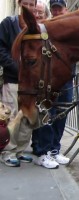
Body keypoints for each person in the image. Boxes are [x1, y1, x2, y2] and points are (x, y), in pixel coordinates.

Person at [32, 0, 73, 169]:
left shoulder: (71, 27)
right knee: (47, 114)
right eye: (54, 9)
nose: (57, 12)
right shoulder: (45, 27)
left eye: (59, 8)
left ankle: (54, 149)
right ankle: (43, 151)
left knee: (61, 116)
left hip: (67, 79)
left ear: (65, 9)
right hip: (49, 79)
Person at [0, 0, 38, 167]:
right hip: (13, 79)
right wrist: (15, 67)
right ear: (19, 4)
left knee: (27, 119)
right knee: (12, 116)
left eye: (32, 4)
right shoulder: (8, 24)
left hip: (31, 84)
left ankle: (20, 150)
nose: (28, 7)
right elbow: (0, 49)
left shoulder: (36, 27)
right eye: (26, 3)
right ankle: (8, 151)